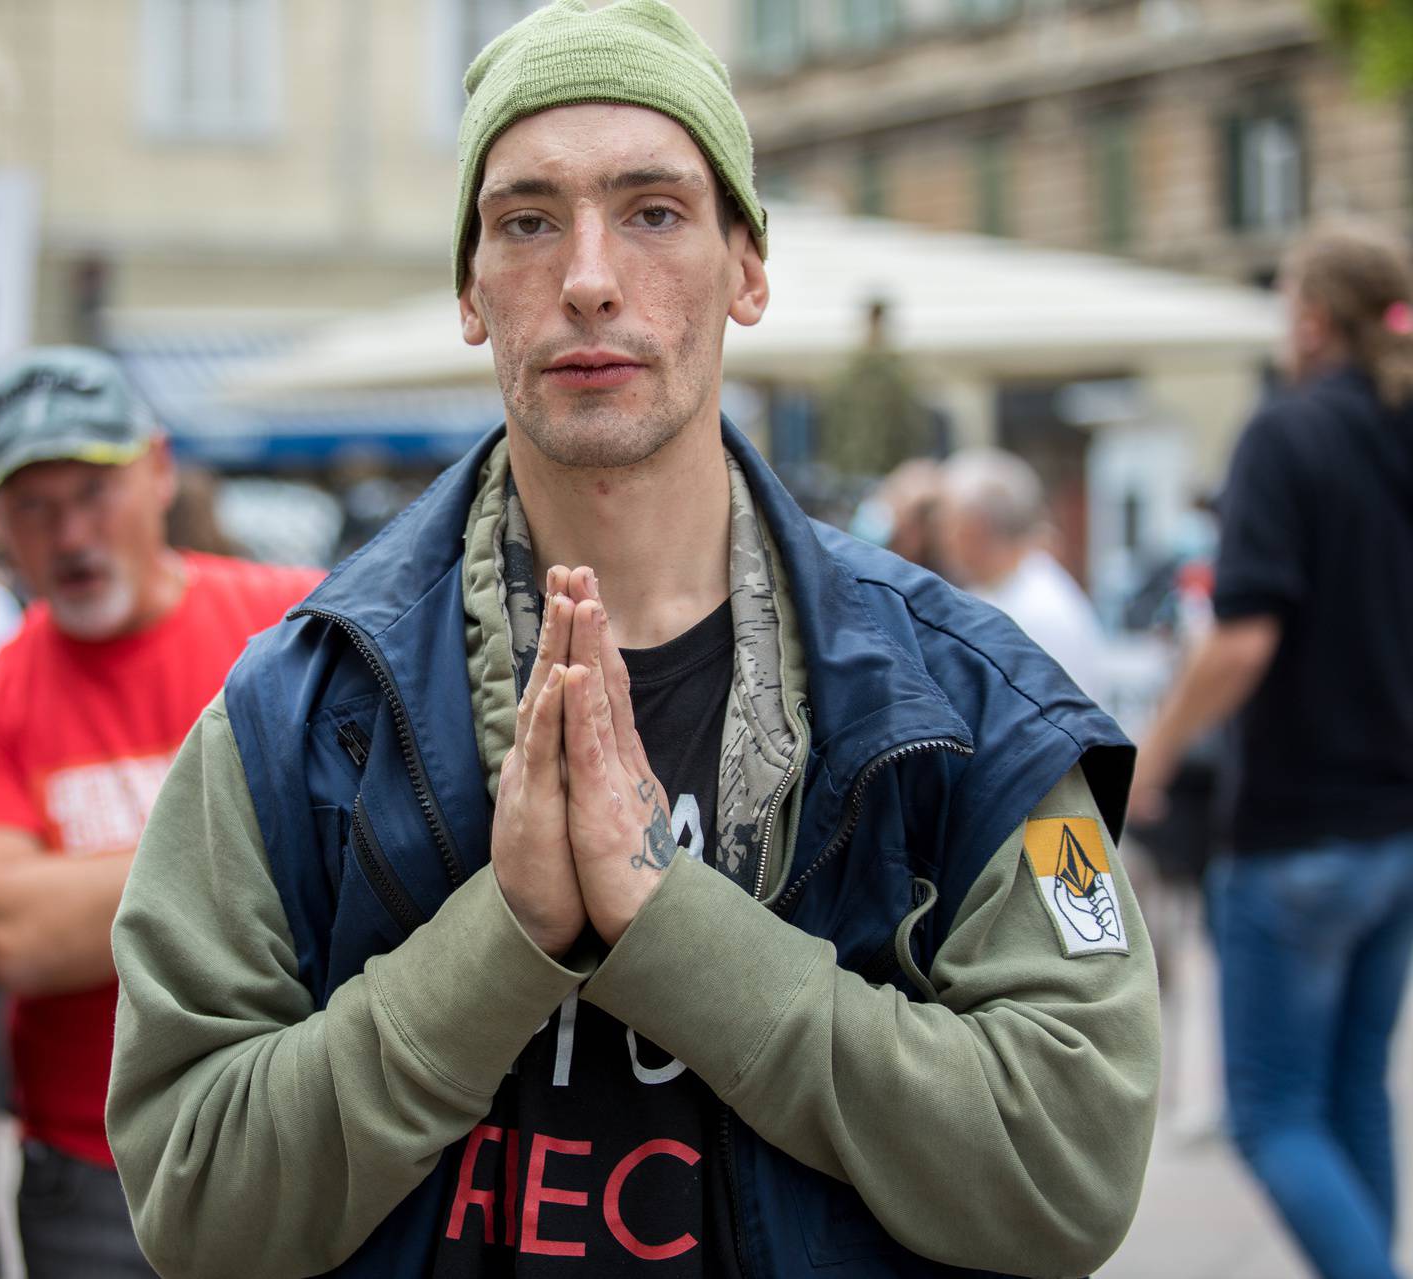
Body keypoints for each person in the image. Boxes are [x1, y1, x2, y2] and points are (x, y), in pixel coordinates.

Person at [105, 3, 1158, 1276]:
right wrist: (504, 939)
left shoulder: (974, 708)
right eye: (528, 221)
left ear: (748, 267)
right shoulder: (297, 711)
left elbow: (1071, 1167)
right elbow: (194, 1198)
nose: (589, 275)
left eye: (653, 211)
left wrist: (668, 925)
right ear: (470, 291)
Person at [0, 347, 321, 1279]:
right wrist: (274, 841)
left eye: (95, 491)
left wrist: (96, 893)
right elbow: (14, 933)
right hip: (101, 1176)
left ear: (161, 471)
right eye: (32, 507)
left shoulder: (294, 627)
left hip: (304, 1134)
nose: (70, 534)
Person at [1132, 218, 1413, 1279]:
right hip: (1396, 827)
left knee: (1269, 1114)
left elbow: (1241, 637)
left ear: (1308, 317)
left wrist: (1151, 756)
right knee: (1350, 1090)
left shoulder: (1287, 436)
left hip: (1301, 824)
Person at [937, 447, 1112, 708]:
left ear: (975, 528)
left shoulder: (1036, 610)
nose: (942, 536)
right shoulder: (1005, 589)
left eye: (947, 522)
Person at [820, 295, 932, 478]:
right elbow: (836, 422)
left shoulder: (896, 371)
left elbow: (911, 423)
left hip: (888, 464)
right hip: (856, 464)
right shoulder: (853, 371)